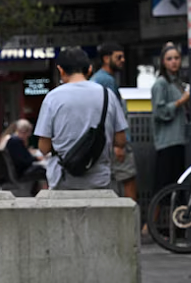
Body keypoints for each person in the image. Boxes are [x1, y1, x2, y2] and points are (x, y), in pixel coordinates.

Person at [34, 47, 128, 190]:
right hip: (99, 180)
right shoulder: (107, 95)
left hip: (62, 180)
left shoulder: (52, 98)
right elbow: (121, 140)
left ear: (61, 70)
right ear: (89, 69)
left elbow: (44, 148)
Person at [91, 42, 138, 200]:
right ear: (106, 58)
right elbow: (113, 113)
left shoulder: (98, 79)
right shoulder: (106, 81)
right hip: (115, 141)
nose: (122, 60)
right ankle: (132, 222)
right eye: (118, 57)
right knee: (128, 180)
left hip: (104, 142)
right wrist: (119, 143)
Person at [150, 42, 191, 193]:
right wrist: (181, 102)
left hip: (180, 139)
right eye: (169, 58)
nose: (174, 61)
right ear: (163, 62)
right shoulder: (161, 84)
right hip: (167, 142)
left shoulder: (178, 83)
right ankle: (153, 217)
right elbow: (159, 112)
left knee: (178, 187)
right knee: (162, 187)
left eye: (176, 58)